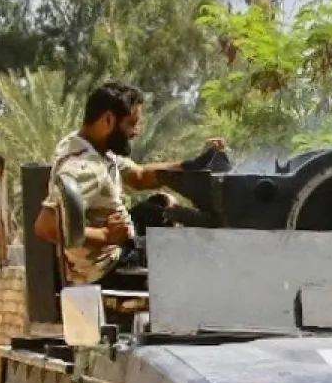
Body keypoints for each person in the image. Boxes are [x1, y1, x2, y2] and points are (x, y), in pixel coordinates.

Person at [33, 80, 226, 287]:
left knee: (162, 206)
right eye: (131, 124)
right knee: (188, 256)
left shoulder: (92, 145)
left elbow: (139, 176)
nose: (136, 132)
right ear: (108, 119)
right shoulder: (85, 168)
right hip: (109, 267)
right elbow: (45, 226)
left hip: (120, 240)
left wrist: (193, 165)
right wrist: (104, 235)